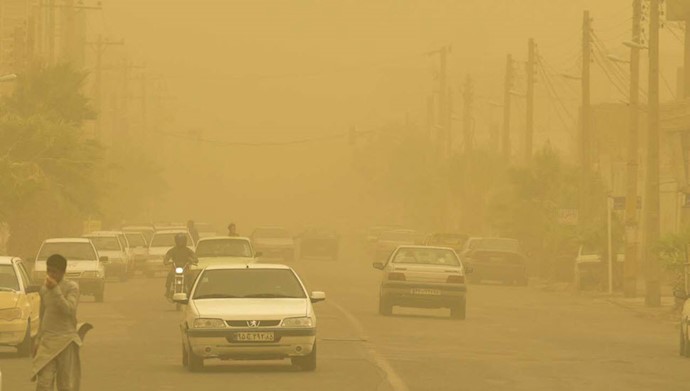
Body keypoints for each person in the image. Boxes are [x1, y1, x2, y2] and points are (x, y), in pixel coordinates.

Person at [32, 254, 92, 391]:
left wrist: (55, 290)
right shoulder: (44, 289)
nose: (50, 275)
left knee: (65, 384)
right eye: (48, 271)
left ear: (63, 272)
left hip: (66, 341)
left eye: (54, 271)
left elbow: (69, 310)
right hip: (47, 342)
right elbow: (43, 314)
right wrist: (38, 339)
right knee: (43, 383)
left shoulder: (72, 287)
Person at [163, 233, 198, 298]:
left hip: (186, 269)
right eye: (179, 240)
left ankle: (191, 292)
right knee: (169, 276)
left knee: (191, 277)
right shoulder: (173, 250)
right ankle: (168, 291)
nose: (180, 242)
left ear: (185, 241)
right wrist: (166, 261)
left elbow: (195, 257)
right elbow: (167, 257)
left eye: (182, 240)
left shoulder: (188, 250)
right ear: (176, 241)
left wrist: (193, 260)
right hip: (175, 269)